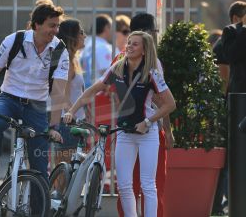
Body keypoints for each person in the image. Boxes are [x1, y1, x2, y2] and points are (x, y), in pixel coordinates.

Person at [64, 31, 176, 217]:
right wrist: (71, 111)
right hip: (124, 133)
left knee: (148, 185)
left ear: (144, 50)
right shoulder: (117, 68)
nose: (129, 46)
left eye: (135, 44)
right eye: (129, 43)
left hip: (147, 134)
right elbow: (92, 90)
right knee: (124, 185)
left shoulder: (152, 72)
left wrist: (148, 122)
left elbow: (170, 104)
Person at [0, 4, 69, 191]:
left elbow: (58, 92)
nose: (56, 30)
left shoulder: (60, 50)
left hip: (37, 106)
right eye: (52, 25)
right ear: (37, 25)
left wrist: (53, 126)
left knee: (40, 168)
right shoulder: (14, 40)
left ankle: (39, 210)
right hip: (9, 98)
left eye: (57, 26)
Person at [114, 13, 174, 217]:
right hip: (147, 128)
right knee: (152, 184)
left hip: (125, 128)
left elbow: (112, 94)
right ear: (149, 32)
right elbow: (161, 100)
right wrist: (167, 130)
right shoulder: (151, 61)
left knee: (126, 184)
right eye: (155, 31)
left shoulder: (119, 59)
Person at [211, 0, 246, 216]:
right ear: (236, 18)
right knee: (228, 158)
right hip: (235, 103)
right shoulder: (231, 36)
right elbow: (225, 73)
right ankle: (218, 205)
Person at [53, 18, 87, 164]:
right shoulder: (66, 62)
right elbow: (61, 96)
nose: (84, 36)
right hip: (68, 124)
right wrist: (73, 116)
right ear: (72, 36)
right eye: (81, 33)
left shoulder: (73, 59)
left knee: (72, 174)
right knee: (64, 176)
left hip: (74, 122)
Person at [80, 14, 113, 88]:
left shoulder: (86, 43)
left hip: (85, 88)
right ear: (106, 28)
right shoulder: (103, 47)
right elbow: (106, 72)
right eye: (111, 27)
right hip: (97, 90)